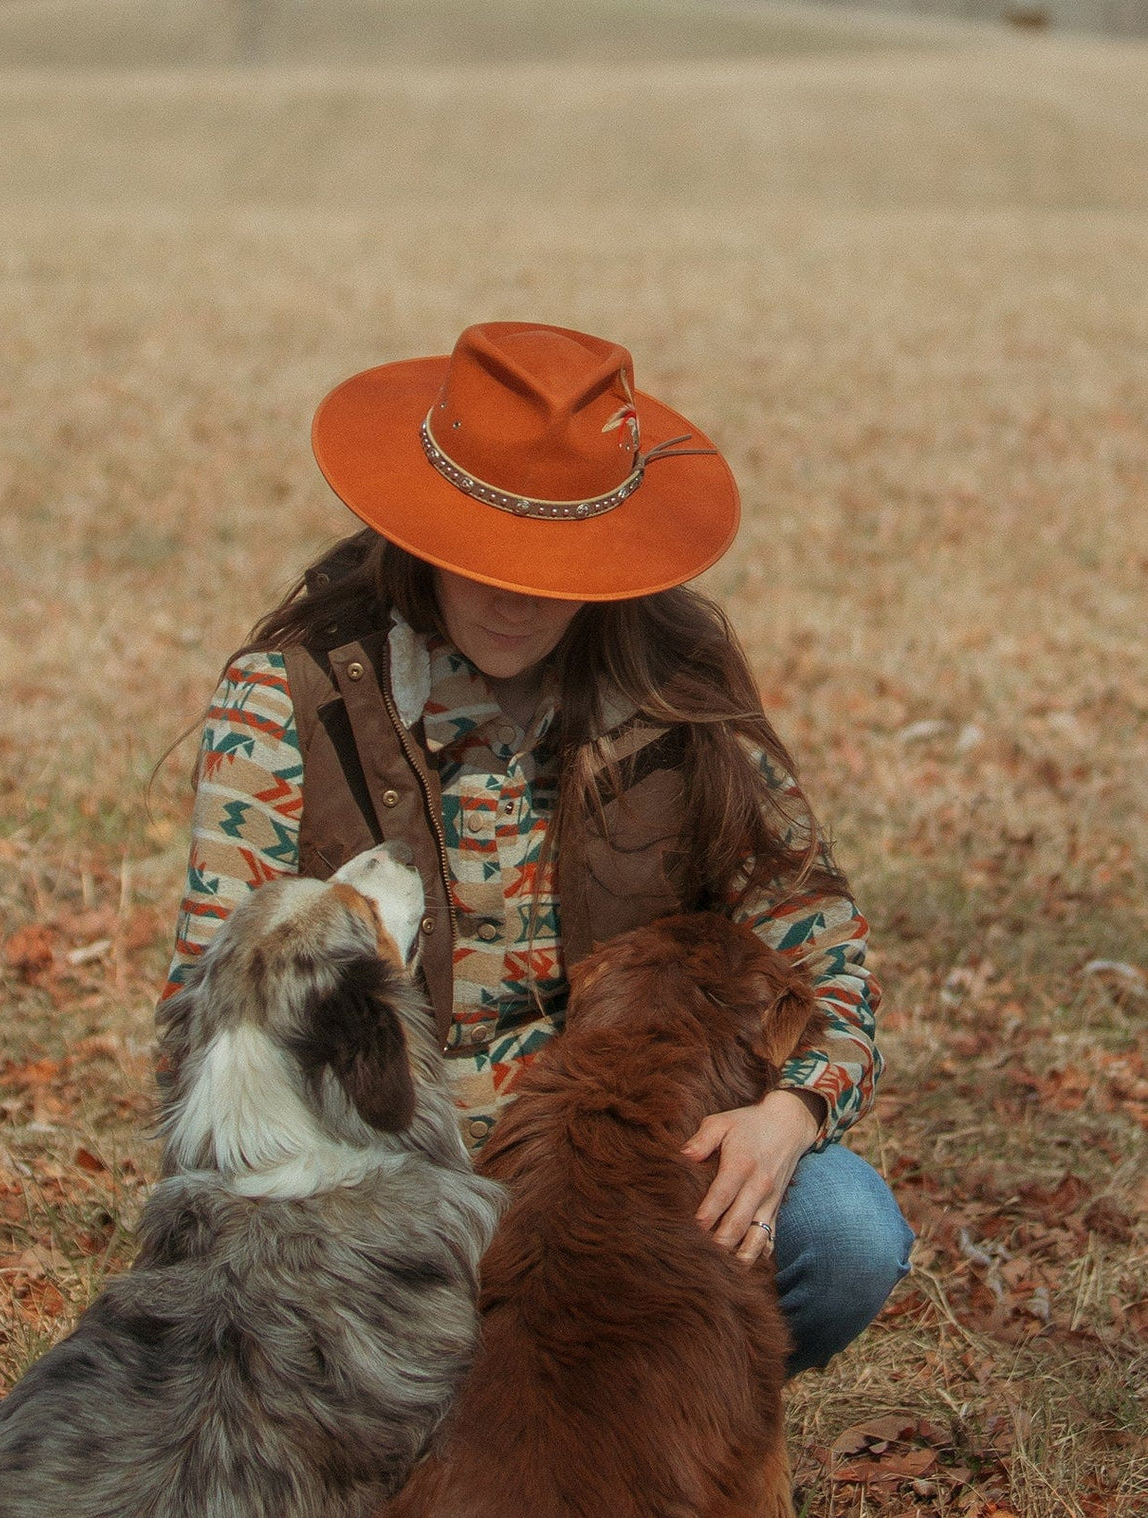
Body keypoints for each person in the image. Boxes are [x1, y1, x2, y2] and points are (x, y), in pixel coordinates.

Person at [160, 320, 913, 1376]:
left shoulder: (676, 688)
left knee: (843, 1237)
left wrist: (789, 1113)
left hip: (606, 1161)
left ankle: (636, 1430)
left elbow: (826, 964)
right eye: (483, 555)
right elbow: (208, 1005)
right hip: (367, 1165)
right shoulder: (295, 692)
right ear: (422, 532)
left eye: (553, 563)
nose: (514, 594)